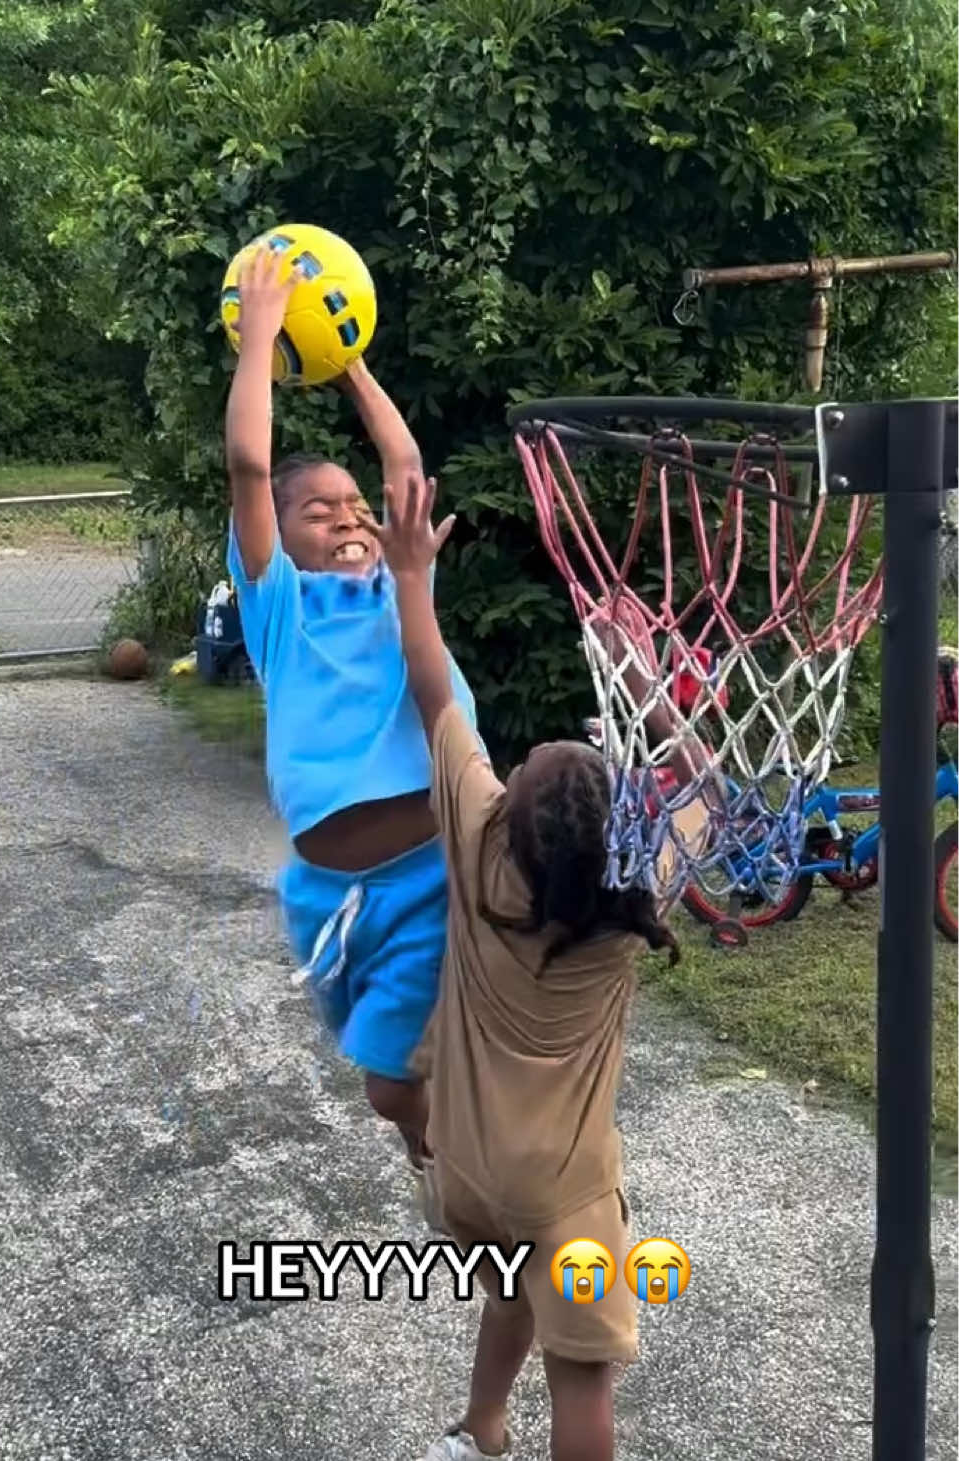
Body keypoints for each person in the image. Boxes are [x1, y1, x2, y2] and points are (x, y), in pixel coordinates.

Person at [362, 473, 705, 1461]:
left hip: (466, 1176)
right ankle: (488, 1426)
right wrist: (650, 697)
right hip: (566, 1198)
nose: (521, 759)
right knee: (583, 1379)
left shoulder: (477, 844)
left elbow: (434, 684)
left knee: (507, 1289)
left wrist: (412, 574)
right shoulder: (629, 902)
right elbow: (710, 792)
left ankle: (479, 1429)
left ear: (508, 810)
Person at [224, 244, 477, 1203]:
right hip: (331, 892)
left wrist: (349, 365)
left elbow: (404, 464)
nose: (348, 518)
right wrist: (260, 340)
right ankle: (433, 1138)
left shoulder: (400, 582)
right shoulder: (279, 607)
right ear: (275, 535)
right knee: (386, 1083)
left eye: (356, 506)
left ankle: (467, 1159)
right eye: (319, 510)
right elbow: (250, 464)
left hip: (436, 863)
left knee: (398, 1076)